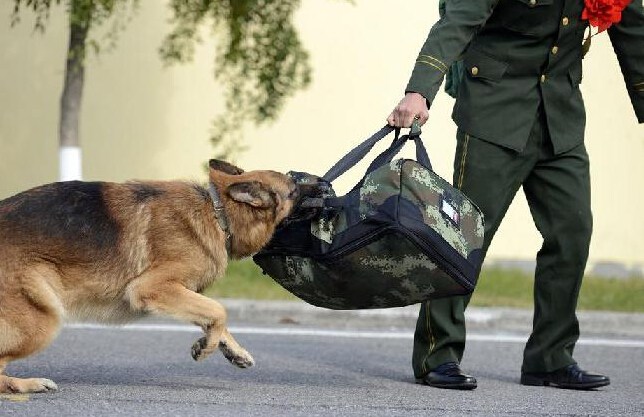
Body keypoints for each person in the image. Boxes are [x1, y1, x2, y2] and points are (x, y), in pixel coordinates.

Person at [387, 0, 643, 390]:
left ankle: (550, 358)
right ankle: (437, 355)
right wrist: (419, 91)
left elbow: (634, 31)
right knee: (463, 237)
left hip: (560, 116)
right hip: (495, 112)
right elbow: (456, 23)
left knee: (572, 233)